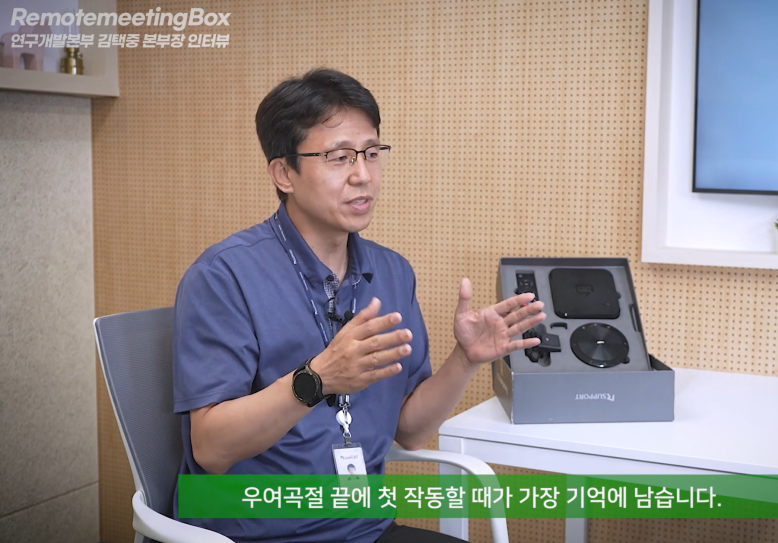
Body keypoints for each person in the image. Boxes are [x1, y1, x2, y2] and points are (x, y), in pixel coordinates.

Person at [171, 67, 545, 543]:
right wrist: (317, 379)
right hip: (253, 532)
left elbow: (410, 431)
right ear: (284, 173)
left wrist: (465, 359)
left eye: (371, 153)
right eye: (339, 157)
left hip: (364, 527)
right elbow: (210, 448)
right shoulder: (224, 276)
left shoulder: (391, 273)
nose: (363, 175)